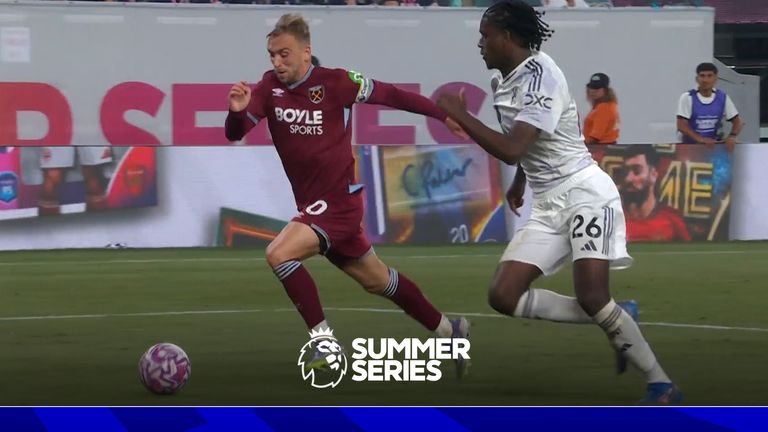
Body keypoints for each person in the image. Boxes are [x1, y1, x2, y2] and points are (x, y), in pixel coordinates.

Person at [436, 0, 681, 403]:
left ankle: (661, 384)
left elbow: (513, 147)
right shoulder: (506, 80)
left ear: (508, 37)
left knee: (592, 295)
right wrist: (520, 184)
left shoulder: (541, 76)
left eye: (485, 35)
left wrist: (461, 116)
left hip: (585, 194)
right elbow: (531, 147)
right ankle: (621, 316)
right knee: (503, 296)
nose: (480, 44)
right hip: (549, 202)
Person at [224, 14, 470, 375]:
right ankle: (451, 332)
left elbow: (392, 94)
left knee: (279, 253)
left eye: (284, 54)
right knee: (378, 280)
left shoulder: (337, 83)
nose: (276, 62)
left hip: (338, 202)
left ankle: (324, 345)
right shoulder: (267, 89)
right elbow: (235, 132)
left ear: (306, 52)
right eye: (272, 55)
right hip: (315, 206)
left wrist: (440, 115)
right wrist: (236, 113)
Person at [621, 145, 691, 242]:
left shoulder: (673, 220)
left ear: (653, 174)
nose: (628, 178)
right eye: (625, 171)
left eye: (637, 171)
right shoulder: (613, 219)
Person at [677, 62, 742, 152]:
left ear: (716, 78)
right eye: (702, 76)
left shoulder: (723, 97)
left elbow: (738, 121)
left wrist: (732, 136)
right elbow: (681, 125)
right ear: (697, 79)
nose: (705, 80)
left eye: (709, 76)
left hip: (712, 147)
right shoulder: (687, 97)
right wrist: (700, 139)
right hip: (689, 148)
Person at [38, 146, 112, 216]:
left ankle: (96, 226)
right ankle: (49, 227)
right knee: (53, 176)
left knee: (94, 177)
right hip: (57, 133)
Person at [584, 72, 620, 145]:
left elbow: (596, 136)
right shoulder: (610, 105)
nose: (593, 91)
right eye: (591, 87)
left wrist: (578, 148)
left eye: (597, 88)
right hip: (606, 148)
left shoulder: (604, 107)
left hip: (599, 148)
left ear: (605, 90)